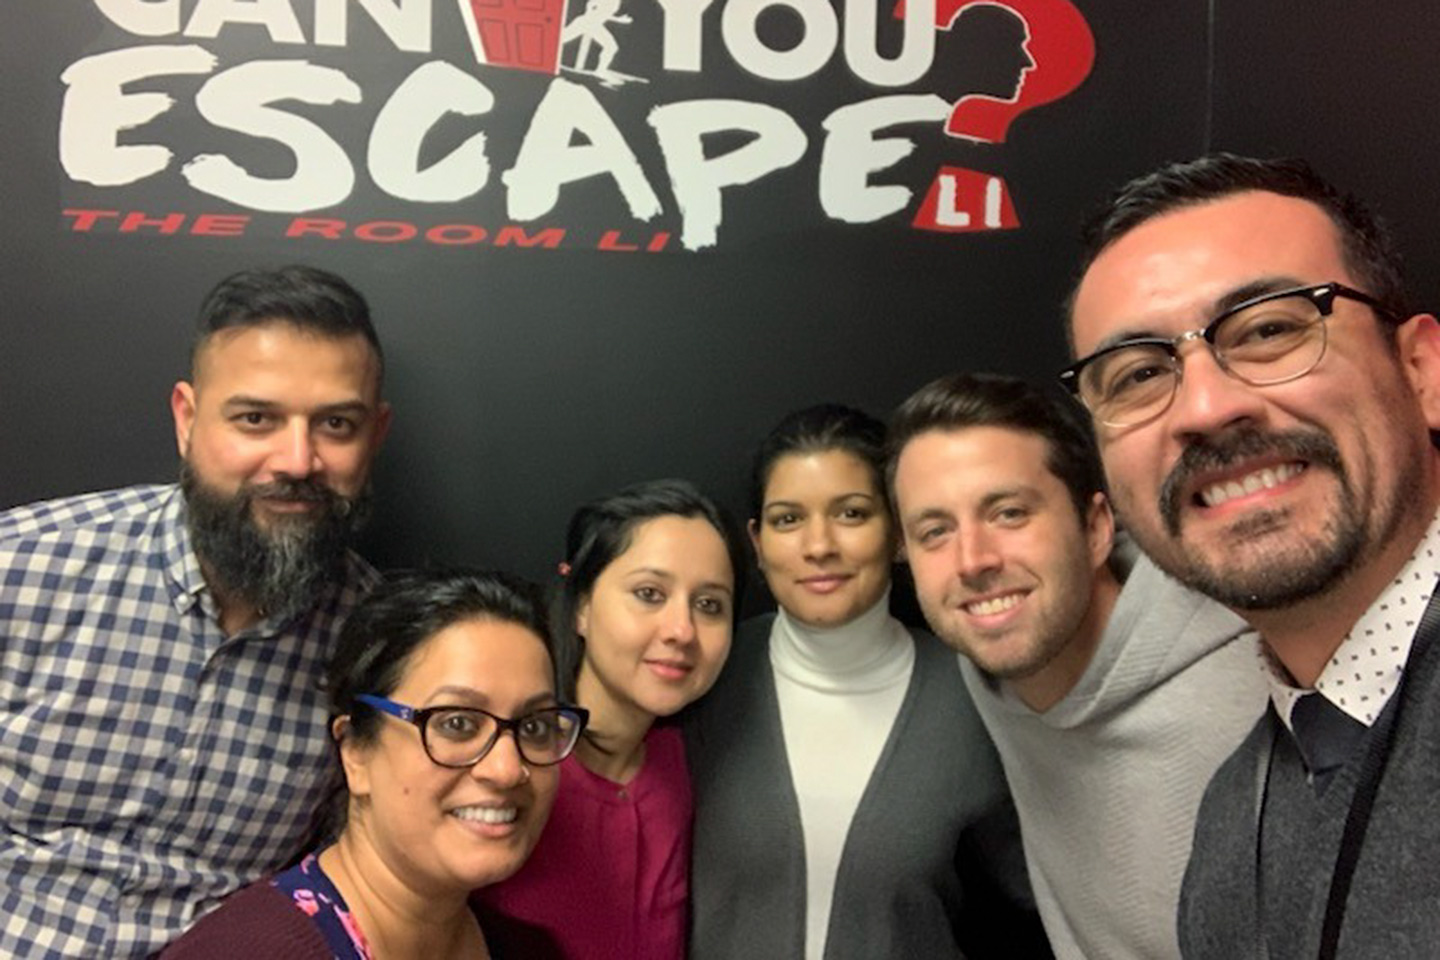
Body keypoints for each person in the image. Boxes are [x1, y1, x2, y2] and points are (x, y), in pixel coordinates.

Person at [1064, 153, 1440, 958]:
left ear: (1420, 370)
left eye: (1270, 328)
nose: (1205, 406)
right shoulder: (1233, 823)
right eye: (1135, 375)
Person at [0, 265, 392, 958]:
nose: (297, 460)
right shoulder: (21, 568)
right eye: (255, 419)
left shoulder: (380, 647)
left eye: (335, 424)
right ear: (186, 419)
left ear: (375, 437)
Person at [888, 372, 1268, 959]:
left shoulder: (1260, 679)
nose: (972, 561)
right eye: (935, 531)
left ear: (1095, 529)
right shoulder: (989, 671)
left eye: (1009, 513)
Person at [687, 404, 1048, 960]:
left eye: (851, 513)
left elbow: (1047, 895)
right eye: (788, 519)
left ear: (899, 532)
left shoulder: (975, 691)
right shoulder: (706, 676)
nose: (818, 546)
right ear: (756, 543)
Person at [162, 569, 585, 958]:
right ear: (356, 752)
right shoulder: (247, 952)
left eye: (534, 727)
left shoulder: (528, 950)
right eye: (457, 723)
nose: (507, 769)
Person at [476, 479, 743, 960]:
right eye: (648, 593)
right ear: (581, 606)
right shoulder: (505, 765)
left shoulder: (692, 760)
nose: (682, 630)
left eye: (709, 605)